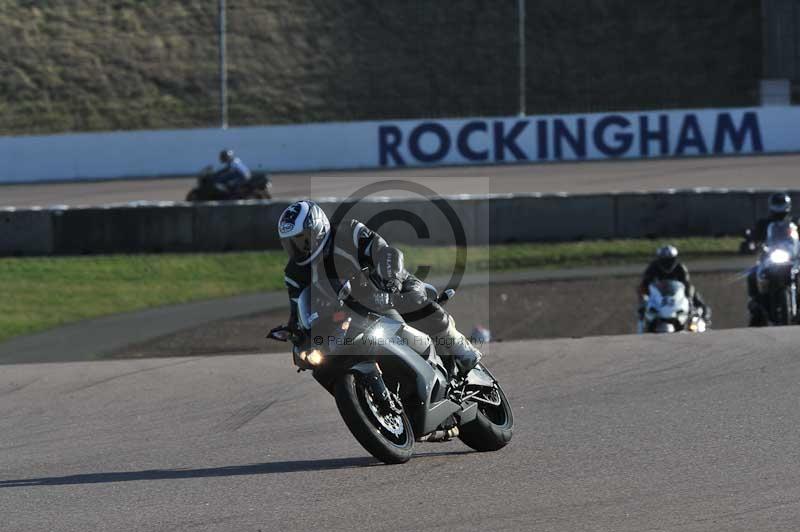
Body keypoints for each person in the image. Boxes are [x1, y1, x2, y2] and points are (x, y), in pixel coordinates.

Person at [277, 200, 482, 410]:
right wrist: (294, 332)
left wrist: (391, 282)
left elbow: (386, 252)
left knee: (415, 300)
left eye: (302, 240)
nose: (298, 248)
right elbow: (298, 307)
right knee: (324, 357)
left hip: (386, 286)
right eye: (290, 243)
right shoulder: (294, 273)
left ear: (319, 228)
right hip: (347, 313)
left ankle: (460, 348)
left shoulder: (348, 232)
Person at [747, 192, 797, 326]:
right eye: (777, 204)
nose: (779, 207)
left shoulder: (794, 222)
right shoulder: (763, 224)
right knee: (752, 274)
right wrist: (751, 241)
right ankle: (755, 303)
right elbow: (754, 237)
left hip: (793, 258)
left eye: (781, 204)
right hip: (770, 258)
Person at [637, 245, 710, 331]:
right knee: (642, 308)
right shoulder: (653, 267)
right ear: (660, 259)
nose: (667, 263)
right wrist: (644, 298)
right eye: (664, 260)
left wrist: (689, 297)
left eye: (670, 260)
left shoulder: (680, 267)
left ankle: (704, 321)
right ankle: (644, 326)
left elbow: (686, 283)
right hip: (659, 296)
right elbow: (644, 284)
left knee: (697, 300)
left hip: (677, 294)